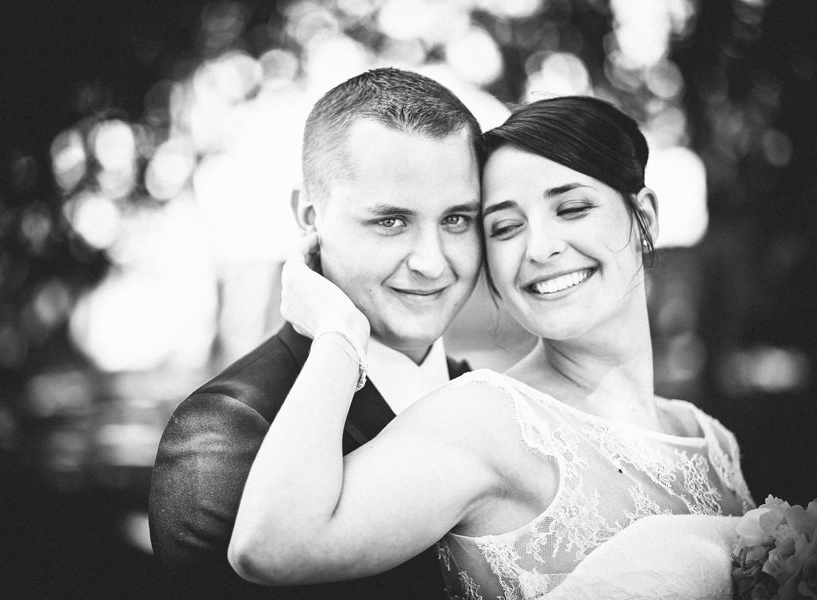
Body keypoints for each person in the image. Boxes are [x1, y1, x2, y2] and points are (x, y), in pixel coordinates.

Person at [228, 96, 756, 599]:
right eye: (505, 227)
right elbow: (270, 545)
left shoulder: (713, 441)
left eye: (572, 208)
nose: (540, 248)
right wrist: (339, 333)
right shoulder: (487, 419)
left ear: (647, 219)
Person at [148, 67, 483, 600]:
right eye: (391, 221)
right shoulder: (225, 434)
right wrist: (340, 339)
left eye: (457, 219)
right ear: (310, 216)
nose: (432, 262)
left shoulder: (492, 398)